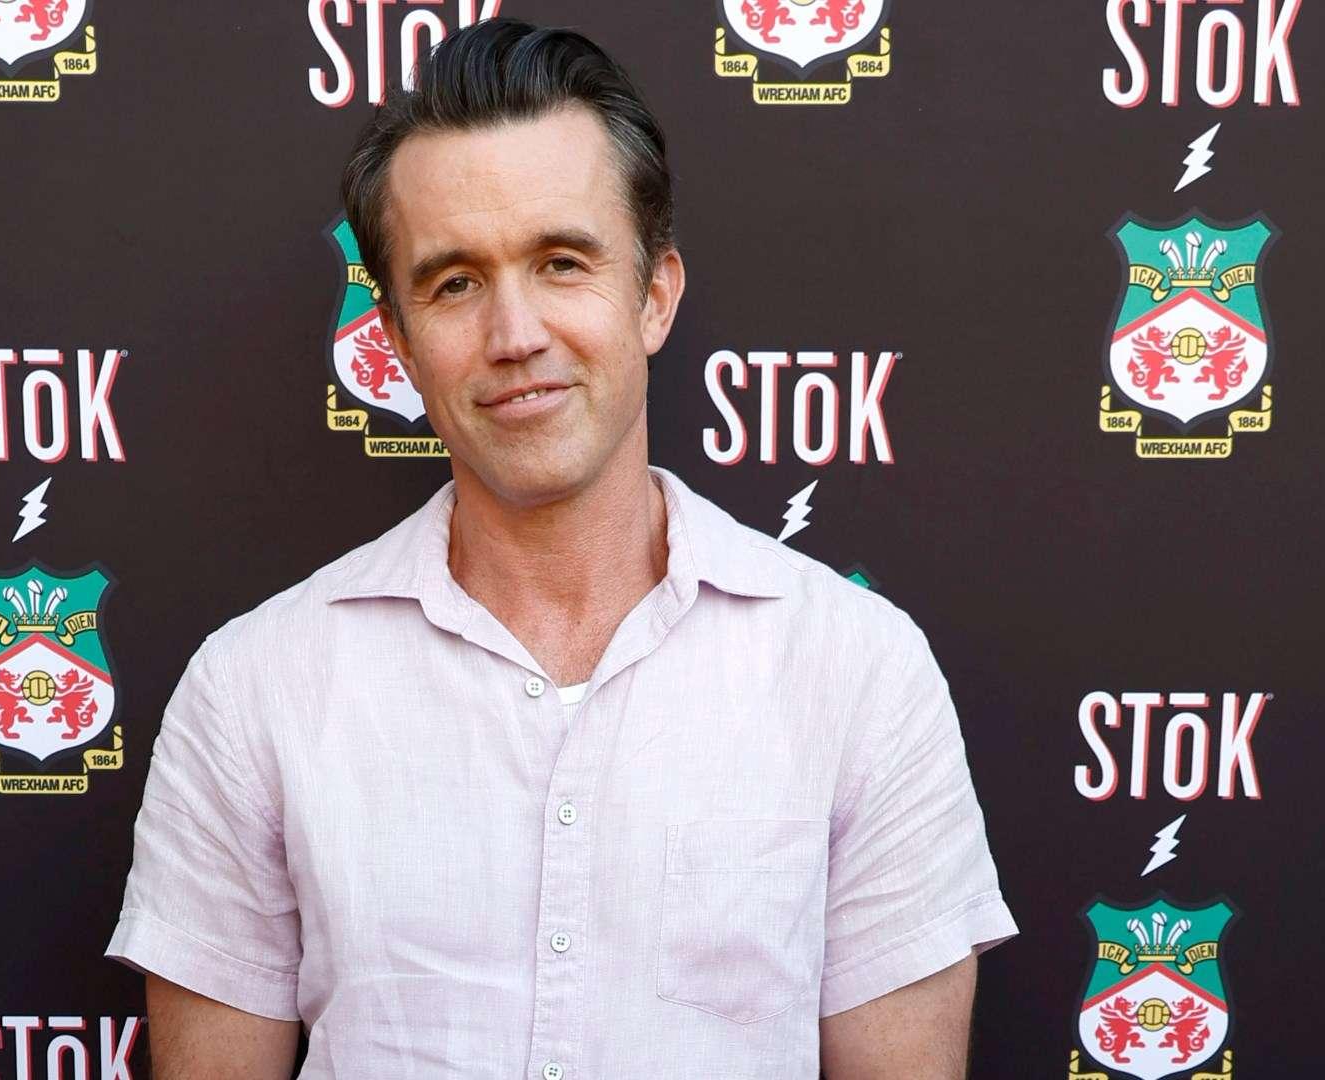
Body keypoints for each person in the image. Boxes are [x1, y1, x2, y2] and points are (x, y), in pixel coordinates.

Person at [106, 17, 1016, 1079]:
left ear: (654, 297)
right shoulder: (253, 690)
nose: (515, 335)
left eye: (562, 263)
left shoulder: (858, 672)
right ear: (397, 343)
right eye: (455, 282)